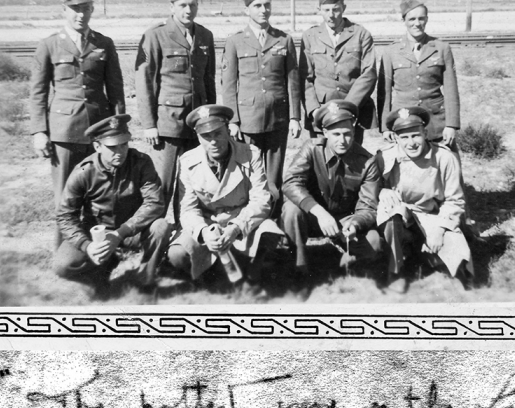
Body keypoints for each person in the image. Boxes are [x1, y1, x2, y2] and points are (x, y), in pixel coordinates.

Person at [29, 0, 125, 246]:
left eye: (86, 7)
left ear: (92, 9)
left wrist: (118, 129)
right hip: (65, 132)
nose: (81, 13)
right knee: (66, 196)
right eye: (75, 8)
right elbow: (37, 92)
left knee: (100, 192)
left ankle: (100, 251)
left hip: (100, 130)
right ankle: (65, 252)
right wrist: (39, 131)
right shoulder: (49, 45)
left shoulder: (103, 43)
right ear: (64, 10)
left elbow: (115, 89)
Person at [167, 105, 283, 288]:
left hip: (240, 220)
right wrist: (204, 232)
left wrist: (235, 228)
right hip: (208, 223)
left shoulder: (250, 153)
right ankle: (209, 272)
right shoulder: (188, 160)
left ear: (228, 130)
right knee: (177, 254)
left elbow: (260, 200)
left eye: (218, 133)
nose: (213, 141)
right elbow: (188, 209)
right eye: (206, 136)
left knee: (269, 233)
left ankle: (252, 271)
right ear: (198, 137)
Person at [54, 114, 170, 292]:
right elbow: (65, 215)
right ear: (97, 146)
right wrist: (87, 245)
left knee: (160, 226)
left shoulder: (141, 162)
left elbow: (155, 203)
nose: (120, 151)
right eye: (112, 147)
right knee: (63, 265)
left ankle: (145, 279)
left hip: (132, 230)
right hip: (98, 232)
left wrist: (120, 233)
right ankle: (101, 271)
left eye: (124, 144)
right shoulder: (84, 171)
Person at [134, 0, 217, 212]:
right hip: (168, 123)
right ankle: (155, 234)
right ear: (172, 7)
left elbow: (208, 81)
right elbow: (145, 83)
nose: (188, 10)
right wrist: (149, 125)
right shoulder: (156, 35)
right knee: (163, 183)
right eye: (182, 5)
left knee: (195, 183)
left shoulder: (205, 35)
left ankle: (188, 234)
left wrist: (210, 120)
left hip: (197, 123)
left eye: (192, 5)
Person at [221, 0, 301, 214]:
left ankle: (274, 222)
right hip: (248, 120)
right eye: (257, 5)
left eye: (267, 5)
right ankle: (250, 222)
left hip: (278, 119)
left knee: (274, 177)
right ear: (247, 10)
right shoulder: (235, 41)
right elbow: (228, 85)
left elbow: (292, 82)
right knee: (251, 175)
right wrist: (233, 120)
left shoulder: (284, 40)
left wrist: (295, 117)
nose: (263, 10)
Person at [281, 100, 382, 276]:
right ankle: (299, 267)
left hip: (345, 221)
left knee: (374, 244)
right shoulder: (312, 149)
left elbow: (369, 206)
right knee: (290, 210)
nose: (342, 140)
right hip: (312, 216)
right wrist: (319, 212)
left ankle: (346, 257)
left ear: (354, 131)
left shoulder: (367, 161)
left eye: (347, 134)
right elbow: (291, 182)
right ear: (325, 132)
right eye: (336, 134)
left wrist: (355, 224)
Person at [376, 107, 472, 286]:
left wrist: (440, 230)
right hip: (403, 217)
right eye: (404, 137)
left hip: (433, 217)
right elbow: (370, 186)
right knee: (389, 211)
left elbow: (455, 200)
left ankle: (421, 253)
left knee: (460, 266)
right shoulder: (385, 156)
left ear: (425, 133)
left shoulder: (444, 157)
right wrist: (381, 191)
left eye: (415, 135)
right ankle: (395, 270)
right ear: (396, 138)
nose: (411, 143)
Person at [377, 0, 460, 148]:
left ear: (427, 19)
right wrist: (385, 127)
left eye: (421, 18)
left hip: (436, 124)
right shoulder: (391, 51)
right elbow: (384, 93)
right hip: (404, 123)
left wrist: (451, 125)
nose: (417, 23)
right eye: (412, 19)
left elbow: (451, 90)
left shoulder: (441, 48)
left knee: (447, 165)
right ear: (404, 21)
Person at [299, 0, 376, 144]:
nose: (331, 15)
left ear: (344, 8)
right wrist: (314, 110)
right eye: (326, 10)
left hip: (353, 111)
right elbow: (305, 77)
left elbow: (369, 74)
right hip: (322, 112)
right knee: (322, 160)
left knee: (352, 160)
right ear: (319, 10)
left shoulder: (361, 34)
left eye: (336, 10)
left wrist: (349, 107)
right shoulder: (310, 36)